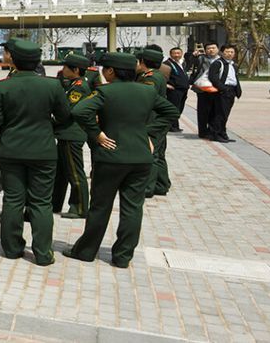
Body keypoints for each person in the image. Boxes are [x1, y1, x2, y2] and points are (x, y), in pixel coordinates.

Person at [68, 52, 180, 268]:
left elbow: (80, 111)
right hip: (140, 157)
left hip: (110, 156)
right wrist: (149, 134)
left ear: (111, 71)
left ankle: (86, 250)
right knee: (132, 208)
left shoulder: (105, 91)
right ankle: (123, 256)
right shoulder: (147, 91)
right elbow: (171, 112)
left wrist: (97, 133)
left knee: (100, 206)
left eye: (104, 69)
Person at [0, 38, 70, 263]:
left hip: (11, 150)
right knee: (41, 202)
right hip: (43, 150)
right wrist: (48, 126)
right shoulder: (52, 85)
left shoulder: (3, 86)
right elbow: (64, 116)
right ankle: (43, 253)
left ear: (13, 60)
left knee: (13, 199)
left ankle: (12, 249)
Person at [52, 52, 95, 219]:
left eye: (65, 67)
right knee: (60, 172)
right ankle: (54, 203)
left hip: (72, 134)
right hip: (65, 134)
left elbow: (67, 112)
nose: (62, 70)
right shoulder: (73, 83)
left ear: (76, 70)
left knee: (75, 173)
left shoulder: (79, 87)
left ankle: (80, 207)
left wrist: (50, 120)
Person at [138, 45, 174, 197]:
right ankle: (161, 184)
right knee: (158, 153)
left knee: (151, 153)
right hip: (158, 119)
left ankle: (148, 188)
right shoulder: (157, 75)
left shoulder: (151, 78)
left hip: (153, 119)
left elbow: (145, 98)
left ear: (144, 62)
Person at [211, 45, 243, 141]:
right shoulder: (218, 63)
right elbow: (213, 78)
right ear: (221, 52)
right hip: (223, 92)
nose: (230, 54)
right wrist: (223, 89)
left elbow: (235, 78)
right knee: (220, 114)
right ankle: (216, 134)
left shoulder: (233, 65)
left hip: (231, 91)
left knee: (225, 114)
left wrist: (238, 91)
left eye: (232, 52)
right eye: (227, 51)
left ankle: (223, 133)